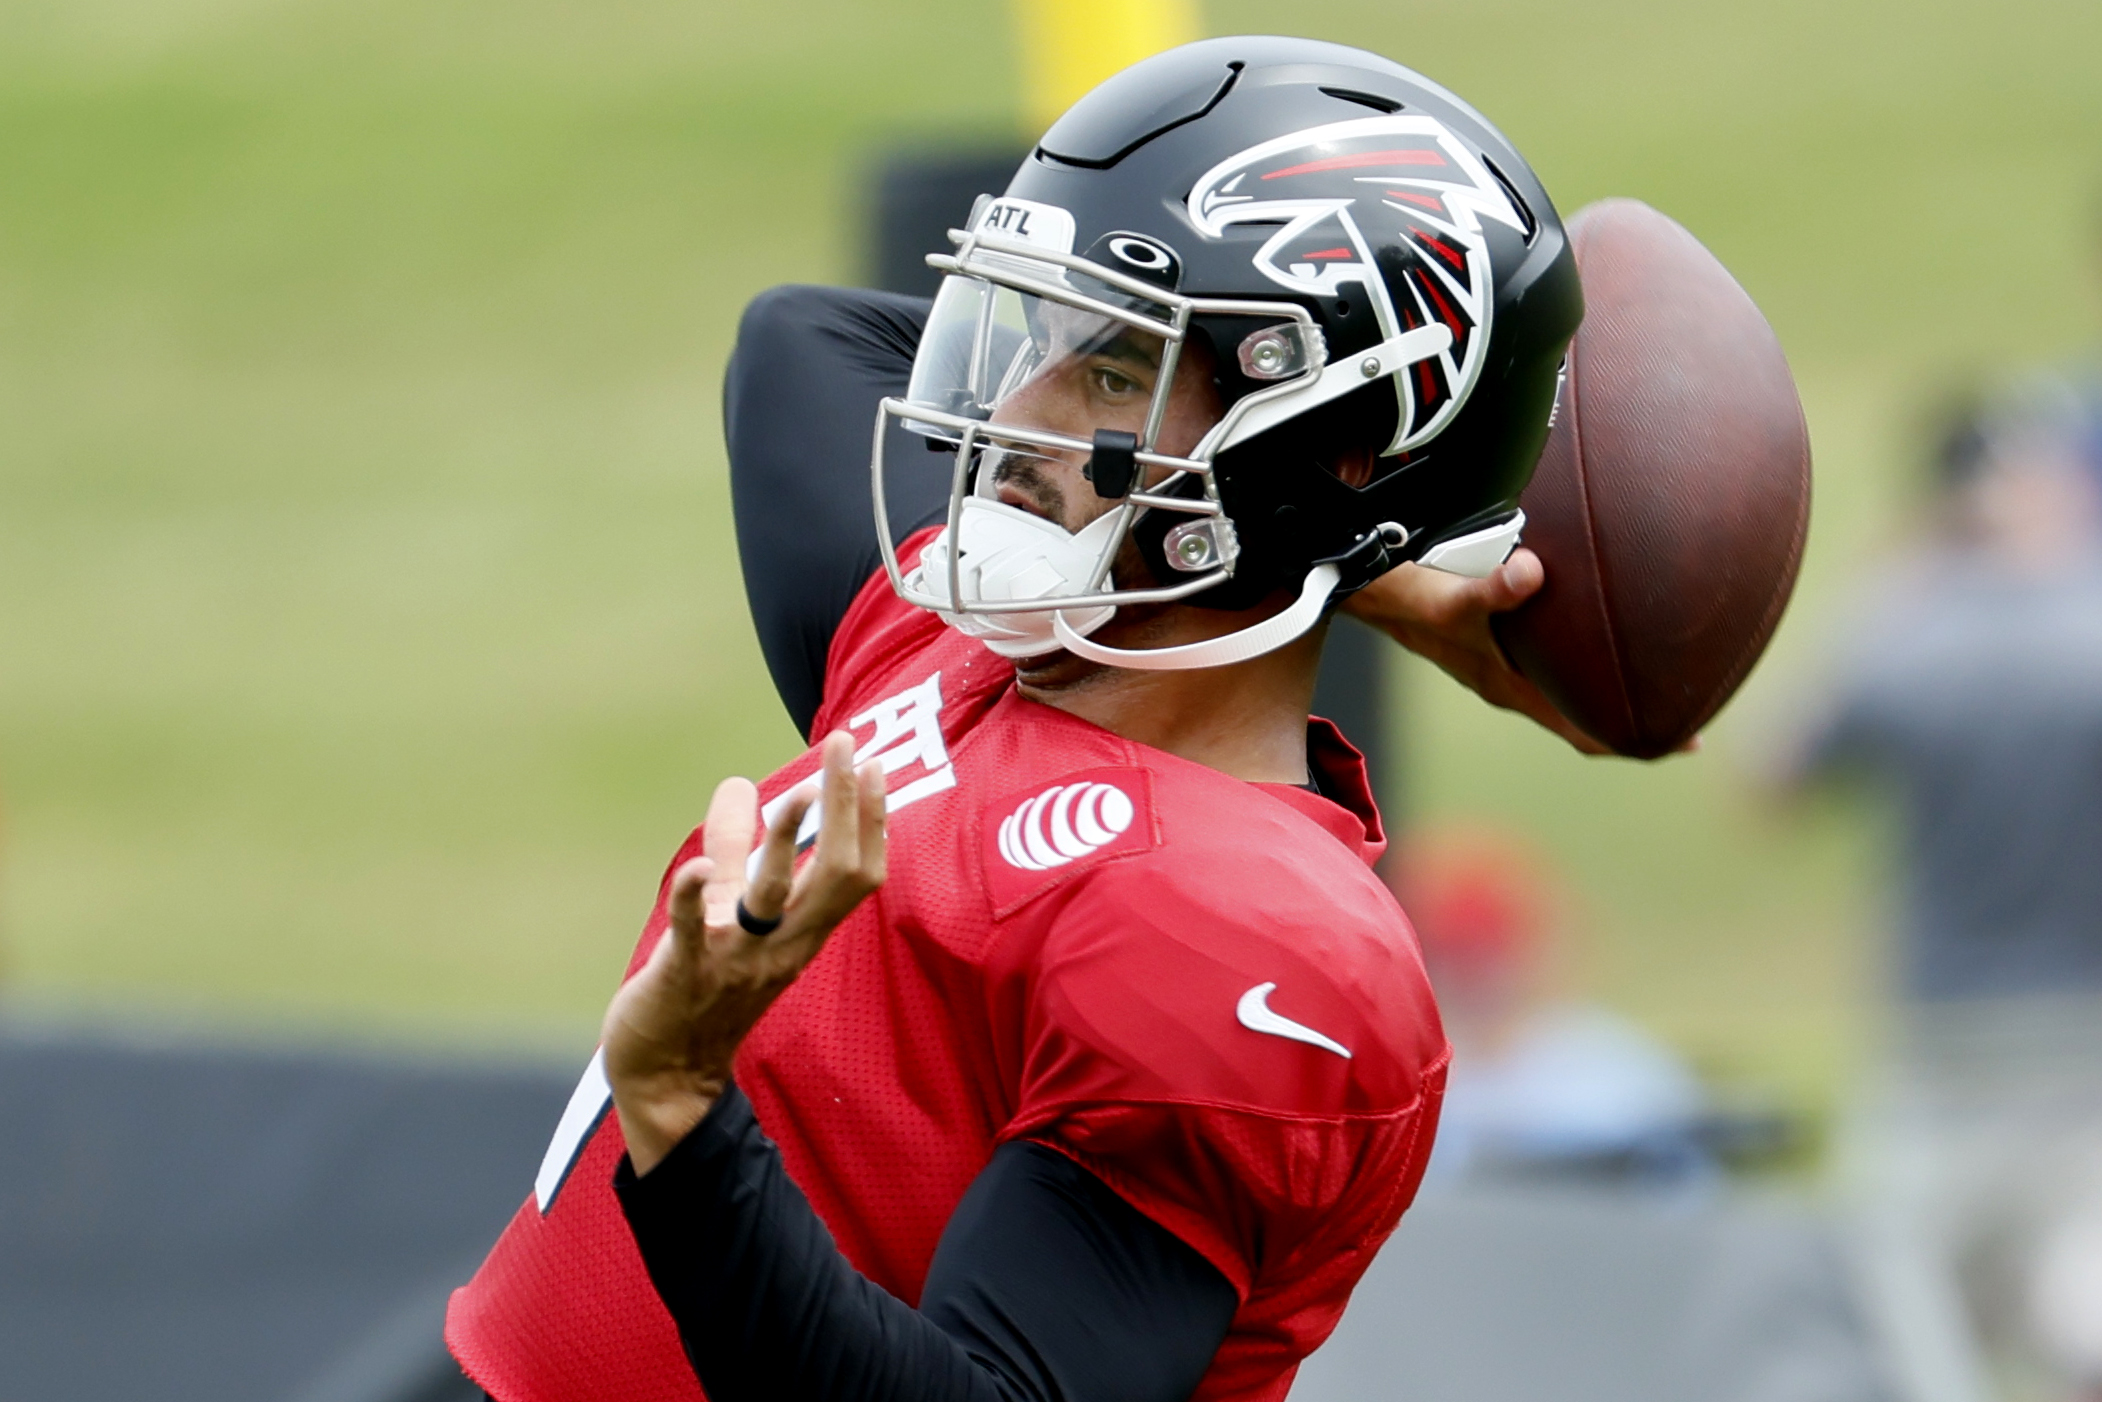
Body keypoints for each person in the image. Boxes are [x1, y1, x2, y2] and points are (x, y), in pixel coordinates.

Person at [446, 36, 1590, 1402]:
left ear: (1333, 439)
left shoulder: (1245, 929)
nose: (1016, 411)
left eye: (1109, 372)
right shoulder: (953, 645)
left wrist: (686, 1103)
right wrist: (1361, 563)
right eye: (1040, 338)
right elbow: (801, 339)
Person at [1778, 395, 2102, 1402]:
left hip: (1942, 1041)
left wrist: (1889, 583)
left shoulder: (1909, 642)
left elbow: (1773, 775)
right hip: (2081, 1031)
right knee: (2072, 1306)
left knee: (1901, 1322)